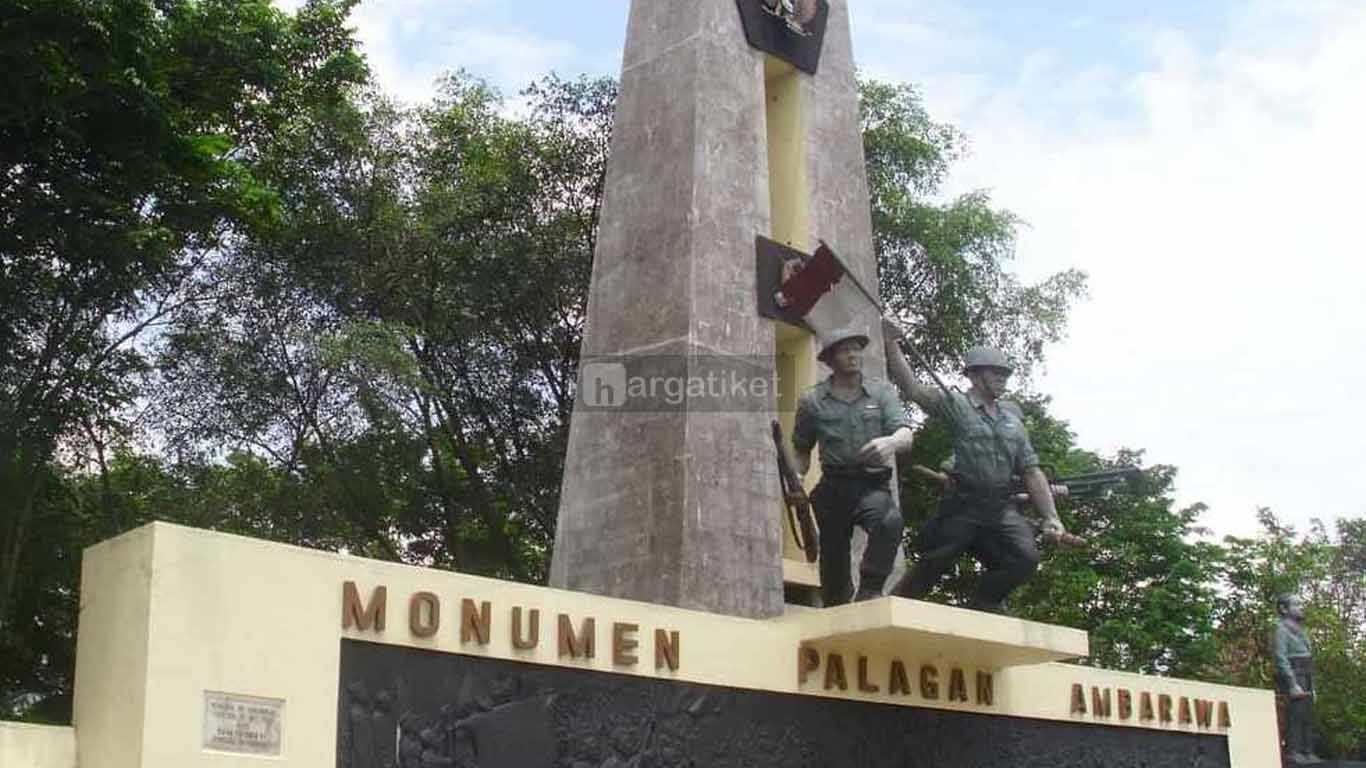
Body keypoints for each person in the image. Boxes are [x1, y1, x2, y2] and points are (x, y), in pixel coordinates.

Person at [881, 319, 1084, 613]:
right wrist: (891, 343)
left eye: (1005, 373)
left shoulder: (1013, 420)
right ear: (975, 375)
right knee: (936, 560)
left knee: (1025, 559)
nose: (1003, 378)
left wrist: (1051, 516)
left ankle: (986, 602)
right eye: (995, 372)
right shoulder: (957, 405)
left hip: (1000, 506)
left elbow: (1031, 470)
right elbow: (912, 389)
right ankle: (894, 607)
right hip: (963, 504)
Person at [792, 327, 914, 606]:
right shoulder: (812, 401)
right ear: (830, 359)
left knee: (889, 522)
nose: (853, 355)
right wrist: (795, 480)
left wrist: (891, 443)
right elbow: (801, 450)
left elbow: (906, 433)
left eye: (856, 349)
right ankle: (836, 609)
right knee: (834, 564)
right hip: (833, 487)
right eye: (845, 350)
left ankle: (870, 589)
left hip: (871, 484)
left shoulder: (881, 393)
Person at [1273, 594, 1321, 764]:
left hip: (1306, 675)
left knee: (1308, 717)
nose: (1301, 607)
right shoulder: (1282, 629)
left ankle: (1308, 751)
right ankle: (1294, 752)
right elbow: (1281, 658)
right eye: (1296, 604)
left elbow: (1309, 659)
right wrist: (1292, 684)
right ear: (1284, 609)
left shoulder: (1302, 631)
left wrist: (1312, 686)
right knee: (1295, 716)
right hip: (1294, 675)